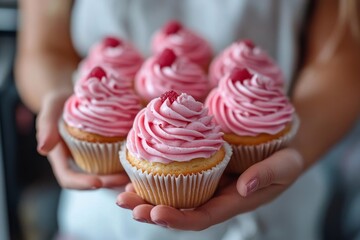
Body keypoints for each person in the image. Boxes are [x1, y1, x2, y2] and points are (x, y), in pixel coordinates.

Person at [15, 0, 360, 239]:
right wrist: (66, 99)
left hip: (275, 214)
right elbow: (43, 49)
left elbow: (342, 58)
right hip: (102, 219)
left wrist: (298, 144)